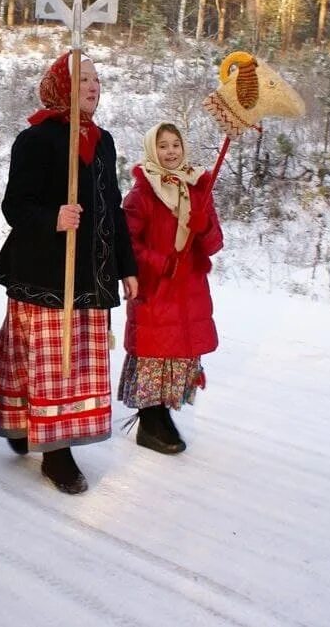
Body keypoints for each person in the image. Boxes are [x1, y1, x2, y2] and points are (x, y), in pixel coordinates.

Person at [0, 52, 137, 495]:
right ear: (61, 85)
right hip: (45, 272)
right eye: (83, 78)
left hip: (92, 274)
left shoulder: (103, 141)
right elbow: (14, 206)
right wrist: (54, 217)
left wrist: (127, 267)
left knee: (73, 362)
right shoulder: (37, 140)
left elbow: (112, 209)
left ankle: (33, 427)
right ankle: (56, 451)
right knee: (48, 363)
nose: (93, 86)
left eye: (98, 79)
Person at [119, 123, 222, 453]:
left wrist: (203, 223)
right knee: (153, 355)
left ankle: (163, 417)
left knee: (178, 355)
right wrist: (160, 262)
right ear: (152, 150)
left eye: (175, 144)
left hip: (188, 289)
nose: (171, 151)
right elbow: (127, 243)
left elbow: (214, 243)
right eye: (162, 146)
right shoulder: (142, 194)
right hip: (156, 289)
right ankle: (150, 420)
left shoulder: (198, 189)